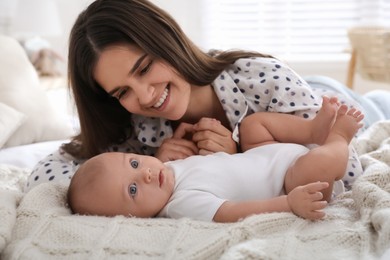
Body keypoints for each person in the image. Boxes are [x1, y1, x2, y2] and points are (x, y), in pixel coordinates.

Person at [26, 0, 390, 192]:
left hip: (339, 102)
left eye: (143, 68)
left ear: (165, 41)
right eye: (122, 91)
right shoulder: (138, 127)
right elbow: (47, 175)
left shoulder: (258, 76)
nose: (146, 96)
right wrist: (158, 164)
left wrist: (241, 158)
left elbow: (345, 169)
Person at [67, 97, 364, 222]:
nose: (144, 174)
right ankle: (337, 139)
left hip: (267, 152)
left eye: (134, 163)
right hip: (291, 183)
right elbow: (232, 212)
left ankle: (311, 129)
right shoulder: (180, 204)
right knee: (316, 167)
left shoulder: (165, 170)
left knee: (251, 126)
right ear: (131, 219)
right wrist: (288, 204)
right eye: (132, 191)